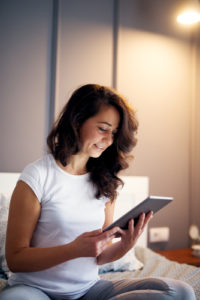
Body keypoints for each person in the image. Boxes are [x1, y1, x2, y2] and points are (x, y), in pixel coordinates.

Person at [0, 84, 195, 300]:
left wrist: (125, 245)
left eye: (114, 133)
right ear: (77, 121)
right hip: (34, 290)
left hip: (87, 290)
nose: (109, 140)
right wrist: (74, 249)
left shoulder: (105, 182)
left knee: (181, 292)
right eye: (103, 128)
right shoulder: (37, 176)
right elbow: (15, 259)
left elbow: (99, 256)